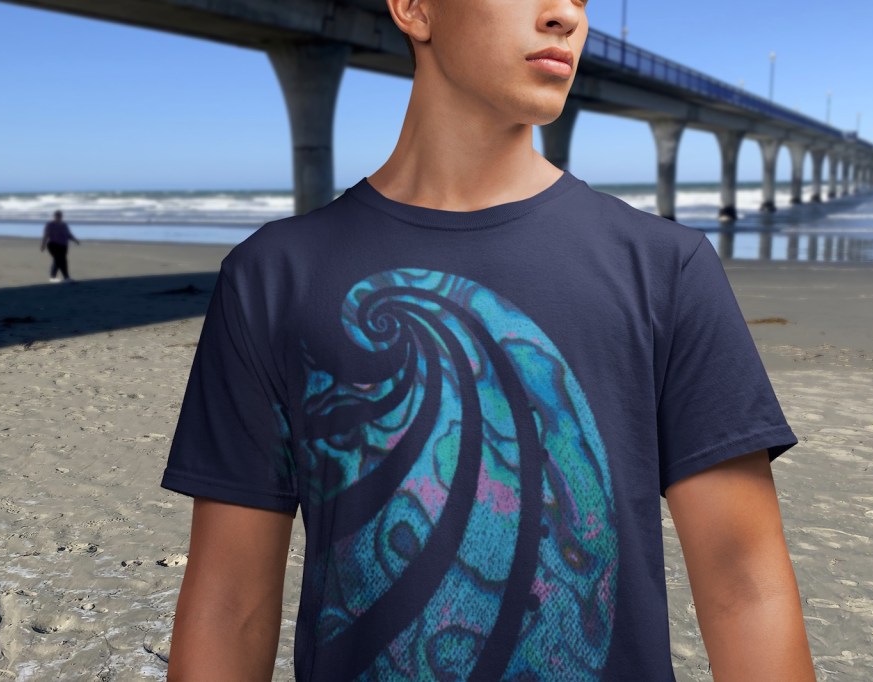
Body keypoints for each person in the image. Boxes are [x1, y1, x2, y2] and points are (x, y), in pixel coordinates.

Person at [161, 0, 816, 679]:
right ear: (414, 8)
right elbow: (228, 606)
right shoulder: (271, 279)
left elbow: (745, 586)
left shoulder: (663, 268)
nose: (564, 15)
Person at [40, 210, 80, 282]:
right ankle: (65, 277)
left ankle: (53, 277)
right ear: (55, 216)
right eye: (57, 215)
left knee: (58, 260)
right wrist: (43, 245)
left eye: (60, 216)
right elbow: (46, 235)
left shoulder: (64, 225)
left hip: (63, 246)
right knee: (60, 260)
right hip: (53, 245)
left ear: (61, 216)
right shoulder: (50, 224)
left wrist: (75, 240)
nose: (58, 217)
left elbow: (68, 234)